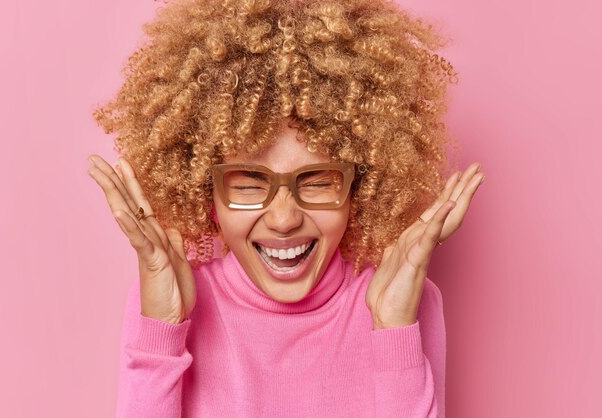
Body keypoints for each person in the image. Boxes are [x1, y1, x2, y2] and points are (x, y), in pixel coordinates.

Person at [87, 0, 485, 416]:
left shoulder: (405, 301)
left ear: (360, 186)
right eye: (248, 181)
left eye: (316, 181)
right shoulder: (167, 300)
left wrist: (393, 329)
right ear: (208, 194)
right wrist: (162, 332)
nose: (283, 219)